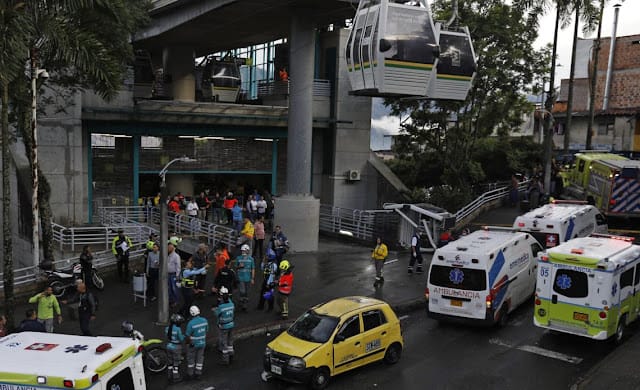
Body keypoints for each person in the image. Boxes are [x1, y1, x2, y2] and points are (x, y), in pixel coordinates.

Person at [185, 305, 209, 380]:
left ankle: (190, 374)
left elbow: (187, 335)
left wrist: (188, 343)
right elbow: (206, 330)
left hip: (193, 344)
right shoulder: (204, 320)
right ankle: (198, 373)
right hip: (202, 343)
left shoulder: (191, 323)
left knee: (191, 359)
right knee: (200, 358)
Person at [212, 286, 235, 364]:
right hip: (231, 324)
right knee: (230, 341)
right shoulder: (231, 304)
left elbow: (217, 314)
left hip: (224, 326)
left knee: (224, 342)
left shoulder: (221, 307)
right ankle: (231, 354)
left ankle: (225, 359)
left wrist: (214, 309)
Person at [165, 313, 186, 384]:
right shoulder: (178, 329)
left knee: (170, 362)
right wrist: (184, 337)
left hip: (169, 346)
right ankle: (176, 377)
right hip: (176, 347)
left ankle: (169, 375)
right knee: (176, 362)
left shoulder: (167, 328)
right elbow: (181, 339)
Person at [234, 244, 255, 311]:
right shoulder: (238, 258)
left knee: (247, 292)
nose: (243, 252)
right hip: (241, 278)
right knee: (242, 291)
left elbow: (253, 269)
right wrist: (239, 266)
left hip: (248, 278)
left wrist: (252, 278)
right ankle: (242, 303)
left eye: (244, 251)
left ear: (247, 251)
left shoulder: (251, 259)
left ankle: (244, 303)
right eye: (242, 251)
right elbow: (235, 267)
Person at [167, 241, 182, 308]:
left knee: (174, 288)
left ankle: (176, 301)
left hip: (173, 274)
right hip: (168, 274)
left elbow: (178, 266)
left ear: (172, 248)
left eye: (169, 247)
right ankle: (171, 300)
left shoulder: (176, 256)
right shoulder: (168, 255)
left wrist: (177, 275)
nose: (168, 249)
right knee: (169, 288)